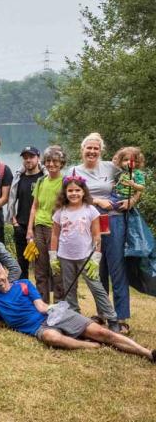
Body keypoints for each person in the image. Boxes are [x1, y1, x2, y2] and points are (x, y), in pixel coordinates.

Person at [0, 261, 154, 363]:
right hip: (40, 329)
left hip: (53, 316)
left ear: (6, 272)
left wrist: (53, 307)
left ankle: (147, 353)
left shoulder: (24, 284)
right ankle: (90, 345)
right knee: (51, 337)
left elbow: (41, 306)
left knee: (102, 332)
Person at [73, 133, 135, 334]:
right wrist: (97, 201)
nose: (92, 151)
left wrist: (131, 201)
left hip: (114, 220)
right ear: (82, 150)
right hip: (88, 222)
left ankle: (121, 317)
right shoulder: (75, 170)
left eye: (95, 148)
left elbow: (132, 184)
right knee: (96, 269)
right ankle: (103, 313)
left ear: (101, 151)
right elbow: (71, 196)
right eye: (88, 148)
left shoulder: (111, 167)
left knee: (117, 268)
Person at [49, 174, 119, 331]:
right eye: (70, 190)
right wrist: (53, 256)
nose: (74, 193)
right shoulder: (60, 211)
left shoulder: (91, 210)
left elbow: (96, 235)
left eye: (77, 190)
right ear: (65, 193)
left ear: (83, 192)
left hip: (86, 257)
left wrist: (96, 257)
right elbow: (54, 234)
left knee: (96, 287)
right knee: (70, 288)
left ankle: (112, 319)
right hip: (65, 257)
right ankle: (75, 316)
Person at [26, 146, 67, 302]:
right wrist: (30, 229)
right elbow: (34, 206)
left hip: (55, 228)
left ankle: (59, 304)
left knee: (55, 266)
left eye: (55, 161)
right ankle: (43, 304)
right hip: (39, 227)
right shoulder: (41, 181)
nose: (51, 164)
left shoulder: (65, 181)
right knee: (40, 268)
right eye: (48, 161)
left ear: (61, 163)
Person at [7, 146, 43, 279]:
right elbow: (11, 200)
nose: (28, 160)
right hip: (21, 225)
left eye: (31, 157)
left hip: (40, 226)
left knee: (41, 265)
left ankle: (41, 296)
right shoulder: (19, 178)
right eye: (25, 157)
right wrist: (14, 222)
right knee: (22, 265)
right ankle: (24, 294)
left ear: (38, 158)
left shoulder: (44, 177)